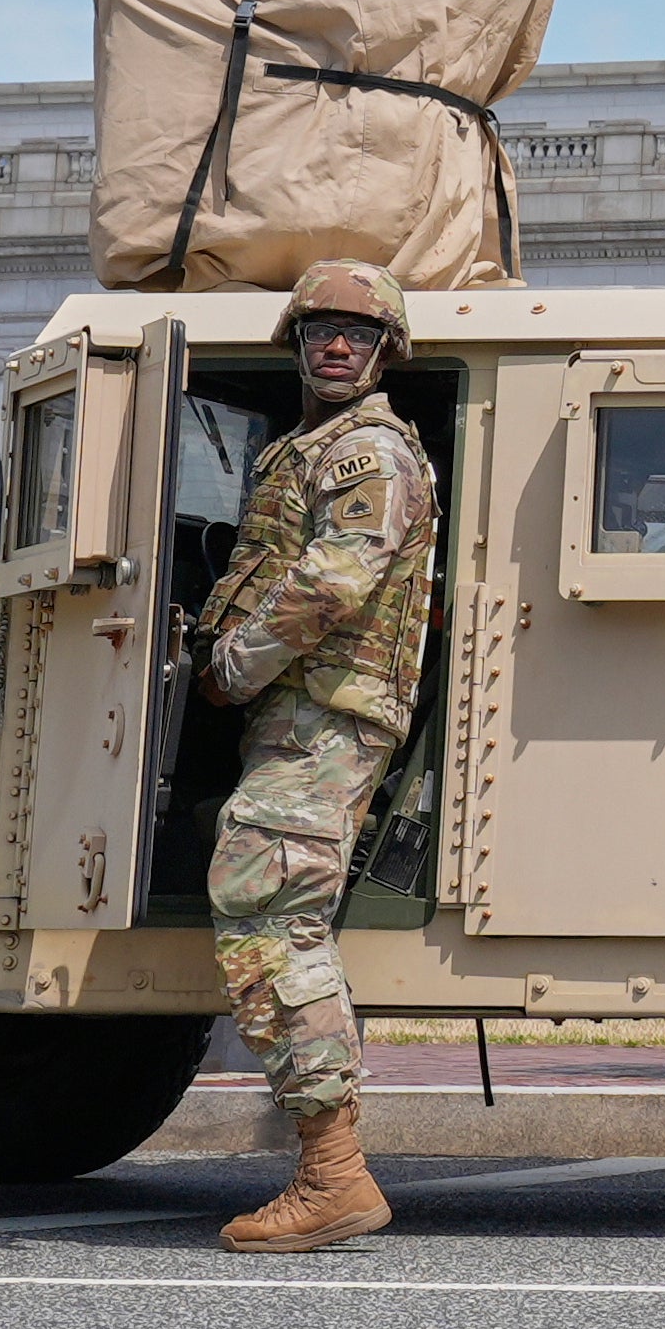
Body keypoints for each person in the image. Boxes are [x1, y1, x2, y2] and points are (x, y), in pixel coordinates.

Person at [197, 260, 439, 1256]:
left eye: (358, 333)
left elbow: (333, 581)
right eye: (320, 330)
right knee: (269, 905)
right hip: (304, 711)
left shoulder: (367, 451)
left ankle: (332, 1175)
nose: (336, 345)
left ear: (386, 353)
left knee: (265, 905)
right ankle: (329, 1166)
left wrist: (234, 666)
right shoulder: (304, 447)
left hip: (328, 713)